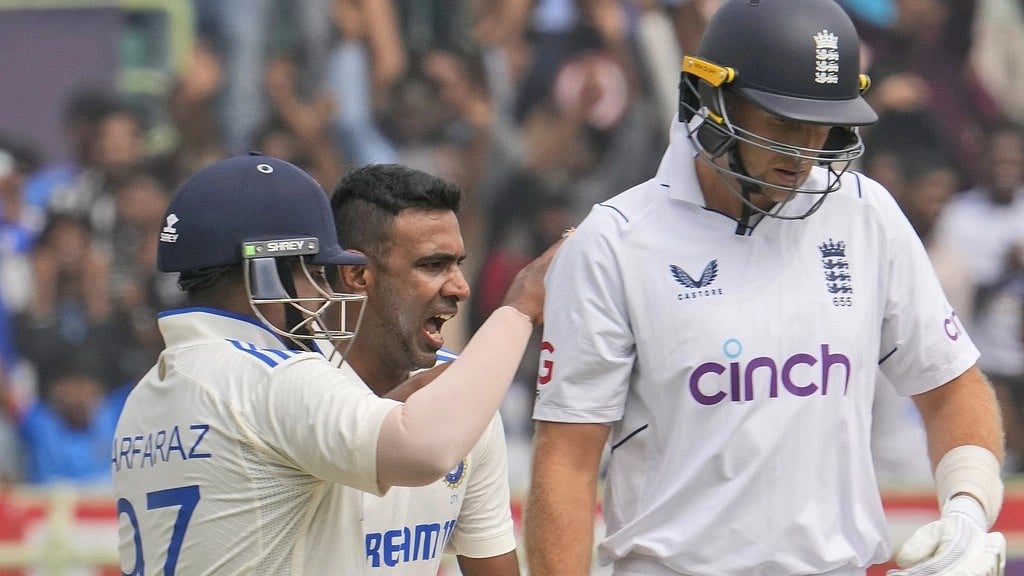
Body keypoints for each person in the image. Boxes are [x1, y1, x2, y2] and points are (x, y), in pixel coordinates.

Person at [523, 1, 1008, 575]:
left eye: (820, 125)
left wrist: (967, 510)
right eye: (781, 123)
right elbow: (567, 464)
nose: (803, 154)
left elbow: (951, 386)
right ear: (712, 100)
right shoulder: (614, 242)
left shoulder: (865, 212)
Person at [112, 153, 560, 574]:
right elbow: (422, 447)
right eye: (310, 267)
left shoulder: (147, 397)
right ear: (262, 272)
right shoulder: (273, 378)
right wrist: (519, 307)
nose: (322, 286)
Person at [329, 163, 519, 574]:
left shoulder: (465, 394)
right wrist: (519, 311)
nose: (460, 288)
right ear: (358, 274)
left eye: (457, 264)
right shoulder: (286, 388)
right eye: (433, 265)